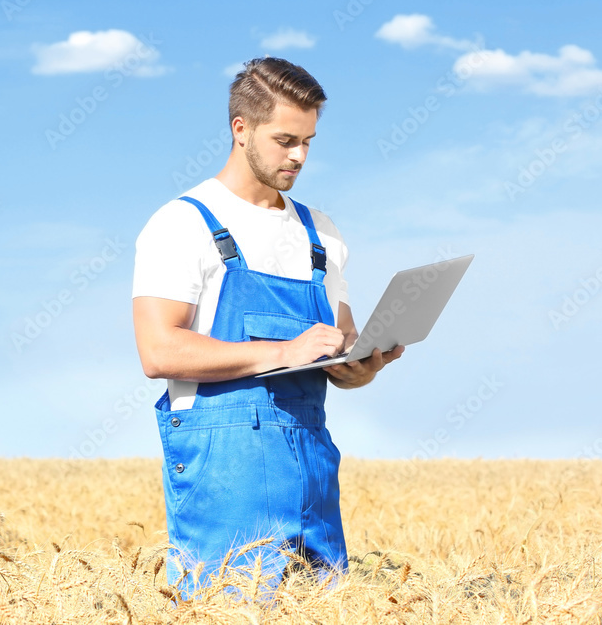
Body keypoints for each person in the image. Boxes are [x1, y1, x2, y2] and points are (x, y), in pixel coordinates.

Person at [131, 57, 404, 597]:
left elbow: (336, 354)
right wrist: (282, 351)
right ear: (241, 129)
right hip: (223, 468)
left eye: (308, 141)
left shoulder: (319, 234)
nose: (299, 156)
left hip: (310, 462)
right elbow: (158, 350)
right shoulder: (182, 223)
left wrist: (362, 365)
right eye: (285, 140)